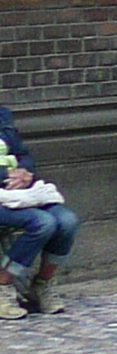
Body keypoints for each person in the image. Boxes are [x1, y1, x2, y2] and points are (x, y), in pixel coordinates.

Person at [0, 103, 78, 318]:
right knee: (42, 223)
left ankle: (42, 284)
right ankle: (3, 282)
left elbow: (22, 154)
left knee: (67, 221)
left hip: (18, 193)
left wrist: (25, 172)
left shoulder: (2, 116)